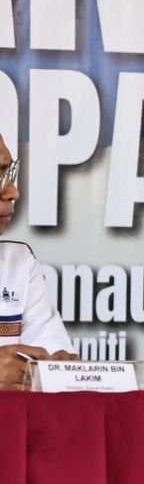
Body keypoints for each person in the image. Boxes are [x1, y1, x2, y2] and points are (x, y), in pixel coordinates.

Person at [0, 134, 77, 390]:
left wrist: (58, 371)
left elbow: (53, 362)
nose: (13, 192)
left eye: (9, 172)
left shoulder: (18, 262)